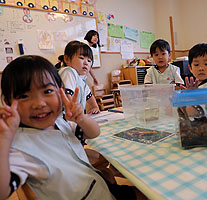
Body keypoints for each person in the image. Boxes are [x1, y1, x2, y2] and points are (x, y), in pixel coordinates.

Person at [0, 55, 143, 200]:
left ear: (61, 91)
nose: (39, 104)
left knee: (141, 190)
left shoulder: (60, 122)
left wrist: (81, 119)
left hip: (99, 186)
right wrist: (3, 141)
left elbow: (94, 132)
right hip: (91, 194)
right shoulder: (19, 148)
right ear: (7, 102)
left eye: (47, 91)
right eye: (24, 96)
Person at [59, 40, 100, 114]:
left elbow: (89, 96)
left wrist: (95, 107)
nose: (86, 63)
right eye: (81, 58)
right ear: (67, 59)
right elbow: (67, 95)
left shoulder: (81, 79)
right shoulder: (68, 72)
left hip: (73, 118)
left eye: (89, 60)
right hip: (64, 118)